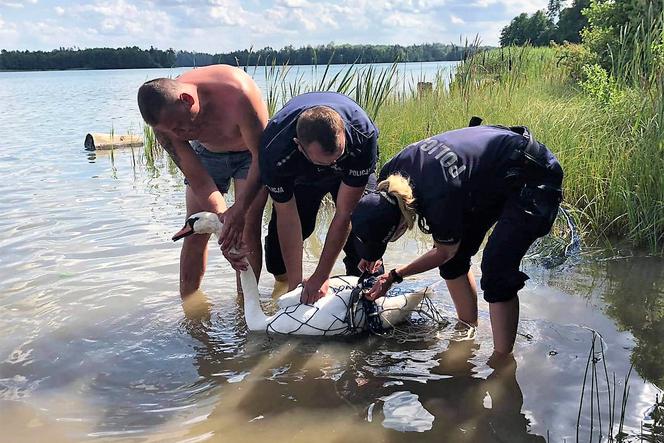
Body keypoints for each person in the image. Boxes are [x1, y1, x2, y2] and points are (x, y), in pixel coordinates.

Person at [350, 122, 563, 355]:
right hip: (491, 174)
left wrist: (394, 276)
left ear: (401, 225)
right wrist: (371, 256)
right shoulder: (389, 176)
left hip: (533, 173)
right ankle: (468, 329)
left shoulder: (439, 197)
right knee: (454, 263)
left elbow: (444, 252)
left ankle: (501, 362)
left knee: (497, 269)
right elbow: (450, 255)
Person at [137, 65, 268, 297]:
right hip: (208, 153)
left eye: (180, 126)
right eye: (172, 131)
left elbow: (262, 157)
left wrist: (238, 213)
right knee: (195, 229)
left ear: (187, 100)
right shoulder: (164, 125)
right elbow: (197, 178)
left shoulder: (238, 93)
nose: (179, 135)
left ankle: (245, 307)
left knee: (247, 226)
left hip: (252, 154)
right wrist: (222, 223)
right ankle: (189, 306)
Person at [246, 92, 378, 304]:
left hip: (350, 171)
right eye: (324, 162)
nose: (332, 164)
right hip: (302, 177)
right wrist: (295, 288)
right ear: (299, 145)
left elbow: (345, 213)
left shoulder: (361, 134)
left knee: (364, 231)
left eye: (337, 156)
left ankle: (365, 294)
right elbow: (287, 218)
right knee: (278, 256)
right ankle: (285, 284)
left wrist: (321, 275)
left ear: (343, 132)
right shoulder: (274, 150)